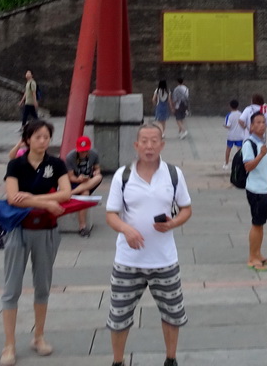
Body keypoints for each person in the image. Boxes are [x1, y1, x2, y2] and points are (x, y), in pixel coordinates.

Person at [105, 123, 192, 366]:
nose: (149, 146)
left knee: (173, 314)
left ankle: (171, 359)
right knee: (119, 316)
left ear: (162, 145)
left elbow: (186, 208)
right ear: (136, 145)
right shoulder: (123, 176)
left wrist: (173, 223)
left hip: (164, 259)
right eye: (144, 141)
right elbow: (111, 214)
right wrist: (126, 229)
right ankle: (118, 361)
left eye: (154, 141)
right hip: (128, 260)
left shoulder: (174, 174)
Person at [0, 119, 71, 366]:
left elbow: (66, 193)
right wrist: (47, 202)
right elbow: (11, 198)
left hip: (47, 231)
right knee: (11, 288)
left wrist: (31, 197)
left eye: (46, 137)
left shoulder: (56, 164)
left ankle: (38, 336)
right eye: (38, 137)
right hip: (18, 230)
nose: (43, 141)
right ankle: (9, 344)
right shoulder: (16, 165)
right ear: (28, 139)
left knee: (42, 285)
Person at [243, 111, 267, 271]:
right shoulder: (249, 144)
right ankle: (251, 257)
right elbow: (248, 166)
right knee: (256, 223)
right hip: (255, 190)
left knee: (261, 223)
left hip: (265, 189)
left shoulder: (264, 144)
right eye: (257, 122)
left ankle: (258, 254)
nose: (261, 125)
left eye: (263, 122)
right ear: (251, 126)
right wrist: (261, 155)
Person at [64, 136, 102, 237]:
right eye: (81, 151)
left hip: (89, 181)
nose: (83, 153)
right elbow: (70, 176)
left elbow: (97, 168)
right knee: (85, 193)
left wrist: (95, 172)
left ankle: (70, 194)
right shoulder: (70, 157)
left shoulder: (94, 154)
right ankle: (82, 226)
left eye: (85, 151)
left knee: (98, 177)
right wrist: (79, 179)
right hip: (75, 182)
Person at [222, 99, 244, 171]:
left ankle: (226, 163)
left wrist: (224, 125)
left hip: (231, 136)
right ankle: (240, 164)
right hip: (240, 135)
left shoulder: (229, 115)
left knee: (228, 149)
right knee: (239, 150)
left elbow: (228, 125)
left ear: (230, 106)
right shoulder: (241, 114)